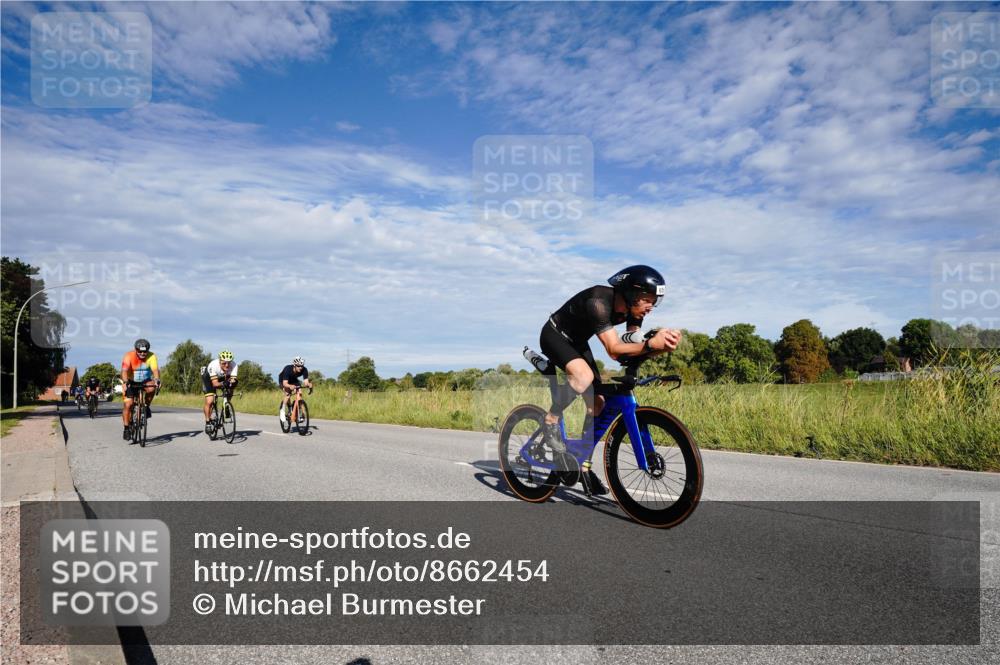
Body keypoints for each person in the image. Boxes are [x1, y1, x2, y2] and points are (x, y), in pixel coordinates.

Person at [539, 265, 682, 493]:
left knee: (599, 403)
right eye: (647, 300)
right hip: (554, 335)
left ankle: (582, 464)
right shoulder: (598, 301)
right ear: (630, 293)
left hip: (576, 342)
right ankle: (550, 421)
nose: (650, 307)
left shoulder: (634, 311)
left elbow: (630, 339)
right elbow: (614, 350)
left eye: (654, 302)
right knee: (583, 376)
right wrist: (648, 345)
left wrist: (657, 342)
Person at [121, 338, 160, 440]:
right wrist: (125, 382)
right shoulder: (129, 356)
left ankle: (146, 406)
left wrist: (157, 380)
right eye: (140, 351)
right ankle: (126, 428)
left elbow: (155, 370)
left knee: (152, 388)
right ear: (136, 350)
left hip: (145, 380)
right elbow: (124, 371)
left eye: (145, 351)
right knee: (128, 404)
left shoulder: (152, 356)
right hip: (130, 381)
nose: (143, 353)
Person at [201, 350, 239, 434]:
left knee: (231, 387)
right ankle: (207, 422)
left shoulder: (234, 365)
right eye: (224, 363)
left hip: (222, 377)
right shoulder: (213, 365)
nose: (227, 365)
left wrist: (232, 384)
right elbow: (215, 384)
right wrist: (224, 383)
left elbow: (232, 380)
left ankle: (226, 405)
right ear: (219, 361)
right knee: (210, 401)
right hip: (209, 378)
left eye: (229, 363)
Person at [278, 356, 313, 428]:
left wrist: (309, 385)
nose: (300, 367)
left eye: (302, 366)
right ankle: (283, 410)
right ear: (294, 365)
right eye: (298, 366)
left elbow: (306, 382)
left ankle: (300, 413)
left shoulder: (304, 370)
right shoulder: (288, 369)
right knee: (288, 394)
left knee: (300, 392)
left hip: (293, 379)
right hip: (283, 380)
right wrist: (290, 386)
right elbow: (285, 383)